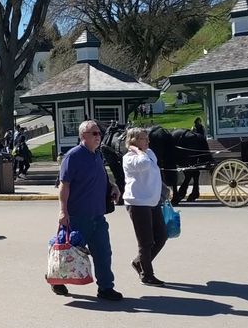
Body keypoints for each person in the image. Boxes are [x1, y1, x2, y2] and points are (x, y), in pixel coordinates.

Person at [52, 120, 122, 301]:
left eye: (99, 133)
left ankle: (106, 288)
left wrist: (112, 186)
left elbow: (100, 176)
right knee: (67, 251)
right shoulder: (72, 156)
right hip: (77, 216)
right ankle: (56, 279)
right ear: (83, 136)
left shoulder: (97, 155)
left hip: (98, 215)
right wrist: (63, 211)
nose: (99, 136)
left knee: (103, 253)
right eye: (94, 133)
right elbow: (64, 185)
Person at [122, 128, 167, 287]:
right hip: (137, 203)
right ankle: (147, 274)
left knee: (162, 236)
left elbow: (153, 170)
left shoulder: (149, 153)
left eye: (147, 138)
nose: (148, 141)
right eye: (143, 138)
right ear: (133, 141)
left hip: (153, 202)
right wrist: (135, 149)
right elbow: (144, 164)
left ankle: (139, 262)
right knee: (146, 241)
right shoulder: (129, 158)